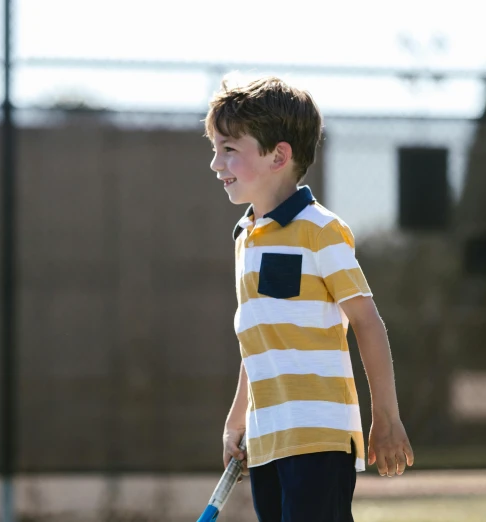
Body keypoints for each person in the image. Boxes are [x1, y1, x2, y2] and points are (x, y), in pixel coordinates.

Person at [204, 76, 414, 522]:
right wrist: (237, 420)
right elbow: (259, 341)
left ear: (278, 155)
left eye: (229, 149)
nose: (215, 162)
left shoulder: (320, 231)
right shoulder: (245, 238)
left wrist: (387, 415)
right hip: (266, 443)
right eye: (215, 148)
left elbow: (367, 321)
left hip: (319, 439)